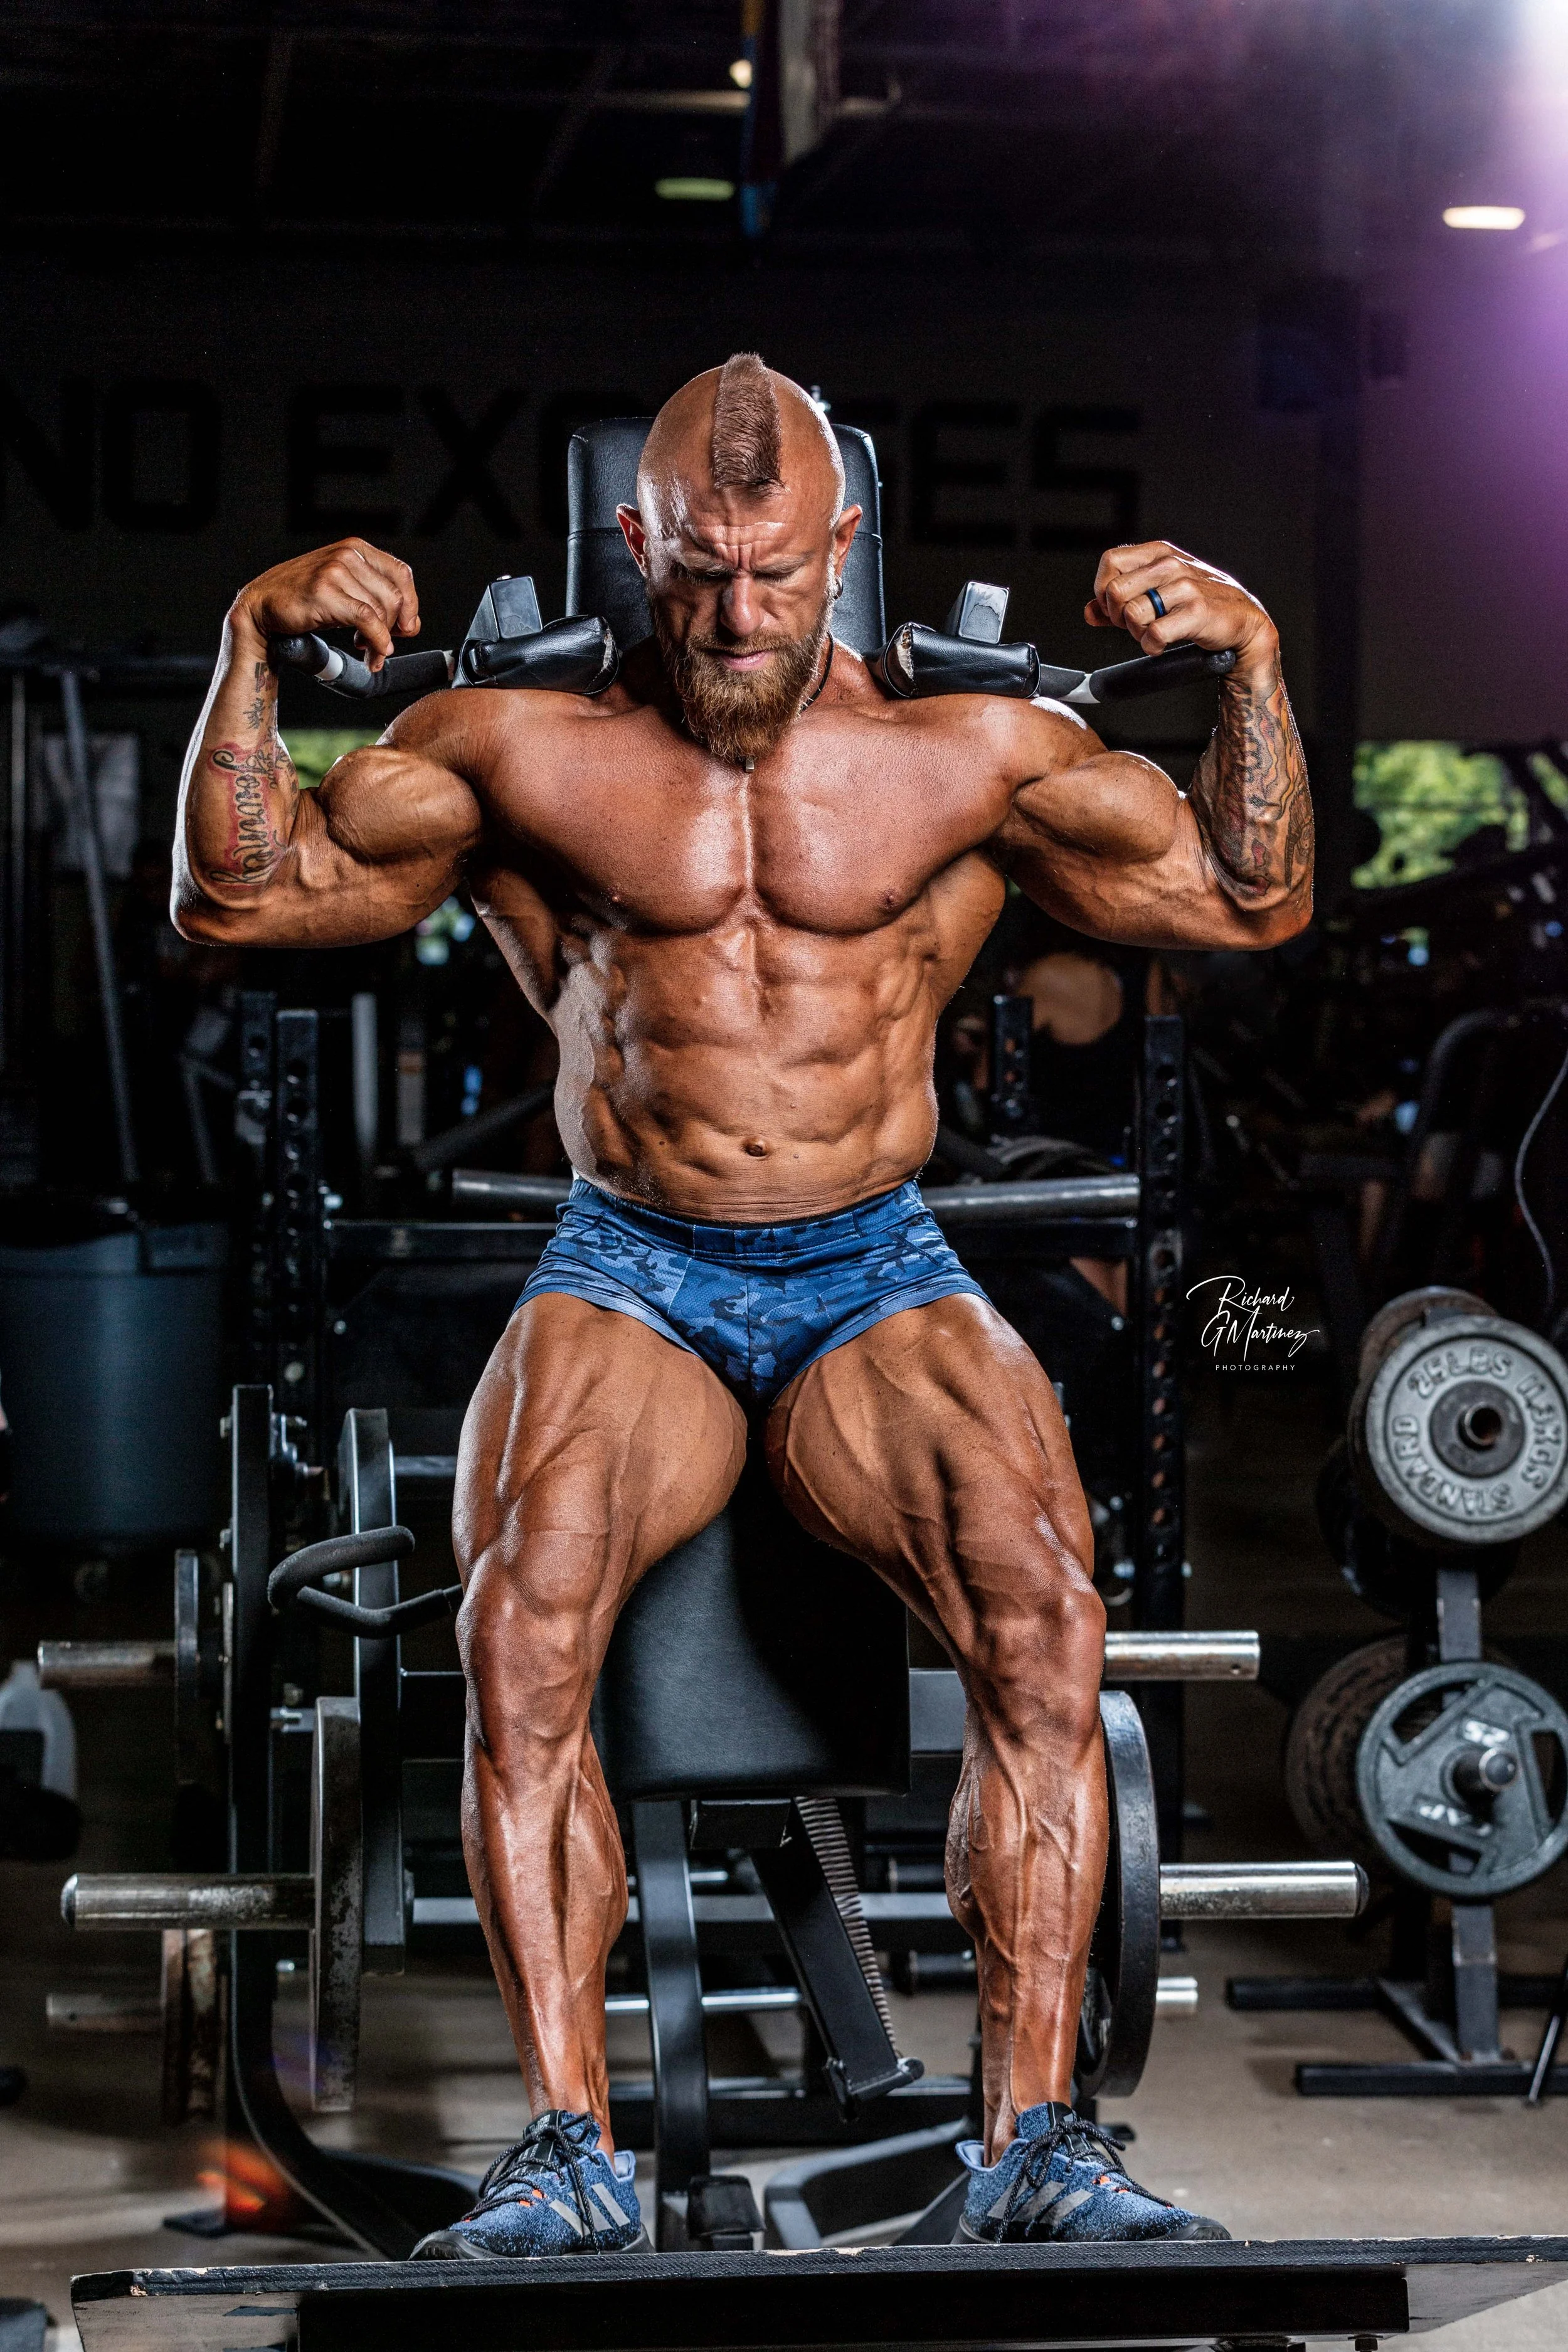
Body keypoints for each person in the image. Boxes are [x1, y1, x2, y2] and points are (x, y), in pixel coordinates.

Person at [173, 356, 1311, 2257]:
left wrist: (1256, 655)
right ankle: (563, 2149)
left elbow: (1247, 901)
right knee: (520, 1620)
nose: (735, 616)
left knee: (1043, 1603)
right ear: (636, 540)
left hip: (871, 1246)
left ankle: (1028, 2139)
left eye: (776, 577)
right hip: (632, 1253)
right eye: (698, 573)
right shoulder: (515, 748)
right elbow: (243, 903)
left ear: (842, 546)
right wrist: (246, 640)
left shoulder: (970, 757)